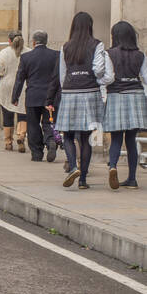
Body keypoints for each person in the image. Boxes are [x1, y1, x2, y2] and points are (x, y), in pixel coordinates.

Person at [50, 10, 114, 189]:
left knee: (68, 135)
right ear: (90, 26)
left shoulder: (66, 46)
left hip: (70, 92)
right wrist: (98, 80)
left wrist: (68, 87)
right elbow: (99, 69)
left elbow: (62, 74)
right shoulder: (97, 44)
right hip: (90, 91)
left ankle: (73, 167)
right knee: (86, 138)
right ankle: (83, 180)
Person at [105, 20, 147, 190]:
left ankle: (113, 166)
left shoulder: (109, 54)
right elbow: (145, 77)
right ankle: (132, 179)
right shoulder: (140, 55)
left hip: (116, 94)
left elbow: (108, 77)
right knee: (131, 139)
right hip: (136, 95)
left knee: (116, 137)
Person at [10, 30, 60, 162]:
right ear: (46, 41)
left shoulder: (26, 57)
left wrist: (15, 97)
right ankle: (50, 142)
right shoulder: (56, 55)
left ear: (33, 42)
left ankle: (37, 153)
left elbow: (19, 79)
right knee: (49, 122)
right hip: (51, 96)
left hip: (33, 96)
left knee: (32, 124)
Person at [0, 31, 27, 153]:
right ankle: (21, 136)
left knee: (7, 115)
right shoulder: (29, 51)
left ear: (9, 41)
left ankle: (8, 142)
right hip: (24, 87)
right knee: (23, 113)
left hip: (6, 86)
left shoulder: (4, 52)